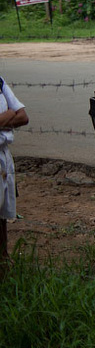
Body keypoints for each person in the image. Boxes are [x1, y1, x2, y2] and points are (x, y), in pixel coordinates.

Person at [0, 75, 28, 278]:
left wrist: (10, 115)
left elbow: (23, 116)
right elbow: (14, 114)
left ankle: (3, 260)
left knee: (2, 214)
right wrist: (7, 115)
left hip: (3, 158)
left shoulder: (0, 82)